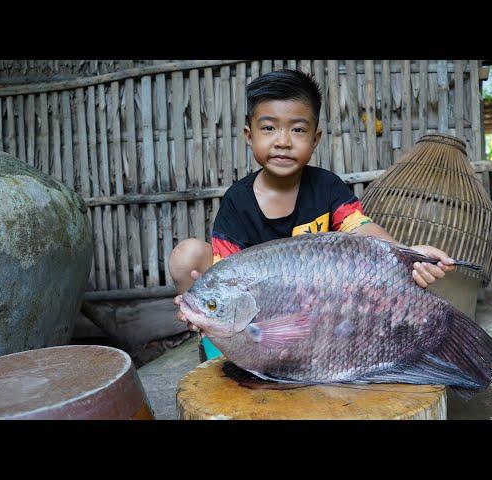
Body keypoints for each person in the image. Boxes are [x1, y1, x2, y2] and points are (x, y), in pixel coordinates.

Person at [170, 69, 456, 361]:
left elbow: (361, 228)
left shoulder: (327, 186)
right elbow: (227, 272)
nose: (283, 141)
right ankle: (214, 339)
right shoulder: (237, 201)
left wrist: (405, 256)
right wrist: (206, 303)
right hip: (258, 304)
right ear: (249, 135)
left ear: (315, 138)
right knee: (187, 255)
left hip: (315, 302)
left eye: (297, 129)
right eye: (269, 128)